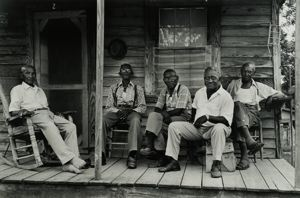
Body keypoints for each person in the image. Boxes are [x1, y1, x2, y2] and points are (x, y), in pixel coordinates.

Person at [159, 67, 234, 178]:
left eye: (213, 78)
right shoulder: (200, 92)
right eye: (206, 78)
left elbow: (226, 121)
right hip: (199, 129)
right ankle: (173, 161)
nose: (209, 80)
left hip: (216, 129)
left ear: (220, 79)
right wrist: (193, 122)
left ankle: (216, 163)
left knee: (219, 128)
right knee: (173, 126)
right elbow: (194, 110)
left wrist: (207, 117)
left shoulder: (225, 96)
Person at [9, 65, 85, 174]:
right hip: (32, 115)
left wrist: (52, 113)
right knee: (50, 125)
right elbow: (13, 110)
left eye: (33, 73)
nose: (31, 76)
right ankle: (71, 159)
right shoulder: (17, 90)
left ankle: (68, 165)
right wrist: (24, 111)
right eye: (27, 73)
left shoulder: (39, 90)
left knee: (70, 126)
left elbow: (45, 107)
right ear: (21, 75)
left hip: (48, 114)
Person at [227, 62, 292, 170]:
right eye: (245, 71)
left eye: (250, 72)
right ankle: (249, 145)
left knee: (238, 120)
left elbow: (280, 94)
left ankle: (245, 155)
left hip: (252, 113)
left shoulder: (258, 86)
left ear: (253, 73)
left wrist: (270, 97)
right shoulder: (234, 84)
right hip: (236, 112)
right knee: (237, 107)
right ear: (241, 71)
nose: (246, 73)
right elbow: (226, 98)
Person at [140, 69, 192, 167]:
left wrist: (164, 114)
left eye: (171, 77)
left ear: (176, 78)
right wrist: (164, 114)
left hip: (183, 118)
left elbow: (179, 110)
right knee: (153, 116)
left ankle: (161, 156)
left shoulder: (183, 89)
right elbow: (157, 108)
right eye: (166, 78)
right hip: (168, 117)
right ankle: (151, 147)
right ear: (163, 80)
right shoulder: (165, 90)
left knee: (159, 124)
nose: (168, 80)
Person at [103, 63, 146, 169]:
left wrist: (130, 110)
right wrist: (118, 111)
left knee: (136, 120)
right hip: (116, 112)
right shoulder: (114, 88)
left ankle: (132, 155)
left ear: (131, 73)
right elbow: (108, 106)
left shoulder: (138, 88)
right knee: (102, 120)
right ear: (120, 73)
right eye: (123, 69)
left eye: (128, 70)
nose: (126, 71)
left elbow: (143, 107)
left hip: (131, 112)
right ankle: (100, 153)